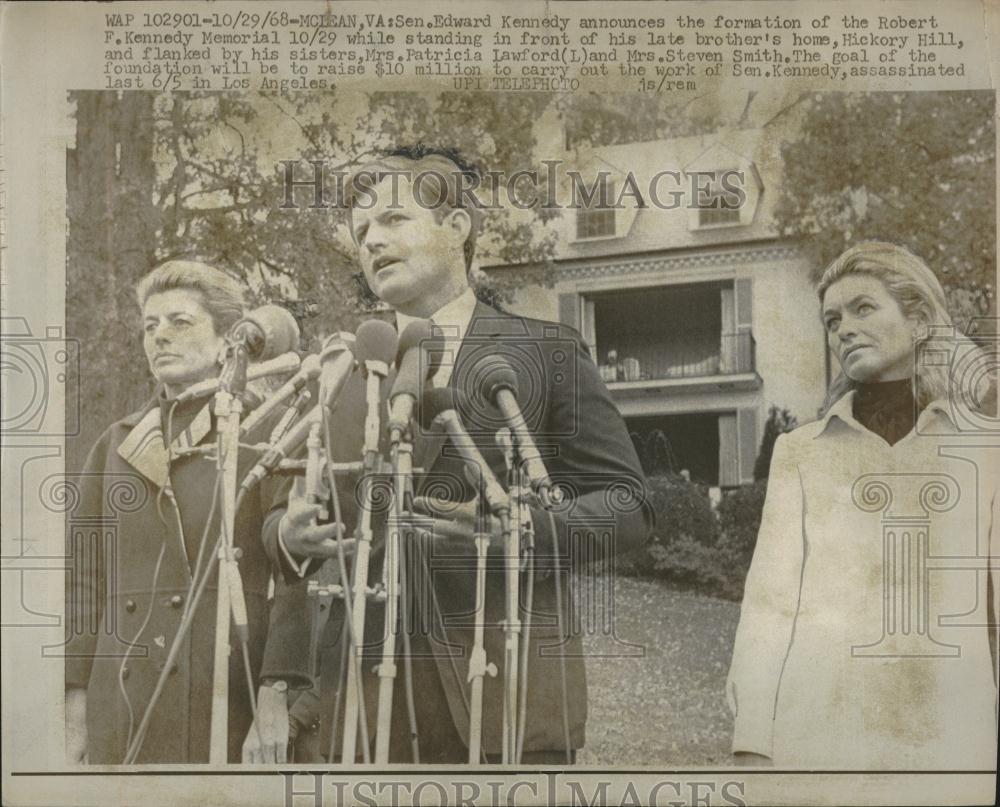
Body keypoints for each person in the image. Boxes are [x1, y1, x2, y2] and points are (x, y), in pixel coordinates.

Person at [245, 147, 652, 764]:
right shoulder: (341, 375)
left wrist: (518, 531)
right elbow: (282, 533)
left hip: (503, 707)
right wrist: (290, 539)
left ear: (458, 227)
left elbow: (629, 507)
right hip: (354, 715)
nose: (372, 241)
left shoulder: (548, 351)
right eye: (361, 232)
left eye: (393, 220)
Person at [726, 242, 999, 769]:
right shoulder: (800, 454)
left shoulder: (985, 448)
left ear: (919, 320)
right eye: (832, 320)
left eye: (863, 308)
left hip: (951, 747)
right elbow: (768, 608)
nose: (843, 328)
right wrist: (752, 741)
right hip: (818, 742)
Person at [63, 261, 307, 764]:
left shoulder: (269, 431)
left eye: (180, 322)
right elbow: (81, 584)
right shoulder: (114, 445)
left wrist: (276, 692)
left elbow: (296, 577)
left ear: (227, 341)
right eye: (150, 326)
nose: (159, 338)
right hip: (123, 705)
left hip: (228, 692)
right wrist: (74, 707)